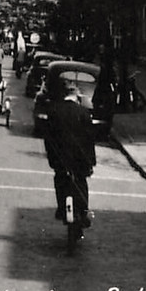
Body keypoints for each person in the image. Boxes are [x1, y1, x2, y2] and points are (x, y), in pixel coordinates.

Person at [43, 81, 97, 229]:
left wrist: (51, 157)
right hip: (79, 159)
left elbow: (48, 138)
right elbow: (89, 140)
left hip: (60, 158)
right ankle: (84, 211)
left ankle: (61, 208)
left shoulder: (54, 111)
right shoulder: (84, 113)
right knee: (81, 183)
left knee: (60, 181)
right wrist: (91, 161)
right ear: (76, 96)